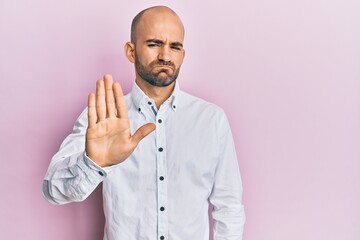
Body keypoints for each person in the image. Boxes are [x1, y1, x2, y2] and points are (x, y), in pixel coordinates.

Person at [43, 5, 245, 240]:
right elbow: (52, 191)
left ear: (182, 54)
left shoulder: (212, 120)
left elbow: (229, 207)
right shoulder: (103, 117)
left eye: (175, 46)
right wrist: (94, 163)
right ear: (131, 51)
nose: (165, 56)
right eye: (154, 44)